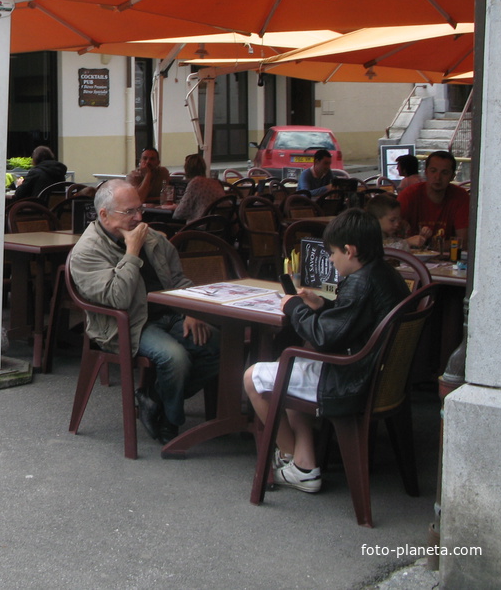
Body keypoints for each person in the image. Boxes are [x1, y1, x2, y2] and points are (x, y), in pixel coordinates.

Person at [243, 209, 410, 494]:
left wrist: (293, 307)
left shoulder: (360, 282)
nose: (331, 260)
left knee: (252, 378)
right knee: (299, 364)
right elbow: (353, 320)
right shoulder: (384, 274)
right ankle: (304, 464)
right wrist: (324, 306)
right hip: (377, 378)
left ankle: (289, 456)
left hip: (350, 381)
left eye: (333, 253)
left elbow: (322, 337)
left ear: (350, 250)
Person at [69, 179, 220, 445]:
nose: (138, 217)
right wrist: (132, 251)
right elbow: (118, 299)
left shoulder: (151, 238)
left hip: (169, 313)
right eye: (129, 212)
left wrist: (193, 310)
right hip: (126, 324)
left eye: (140, 209)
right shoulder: (87, 252)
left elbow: (177, 279)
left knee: (218, 344)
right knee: (175, 358)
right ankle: (170, 422)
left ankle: (155, 399)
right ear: (103, 214)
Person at [398, 150, 469, 245]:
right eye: (433, 171)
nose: (438, 177)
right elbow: (392, 235)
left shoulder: (460, 196)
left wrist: (431, 246)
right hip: (411, 256)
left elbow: (463, 241)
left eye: (444, 172)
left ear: (452, 176)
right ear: (426, 172)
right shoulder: (408, 195)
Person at [172, 152, 226, 222]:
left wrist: (176, 207)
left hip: (201, 227)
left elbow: (179, 214)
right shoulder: (216, 182)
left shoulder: (195, 183)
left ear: (187, 169)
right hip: (220, 226)